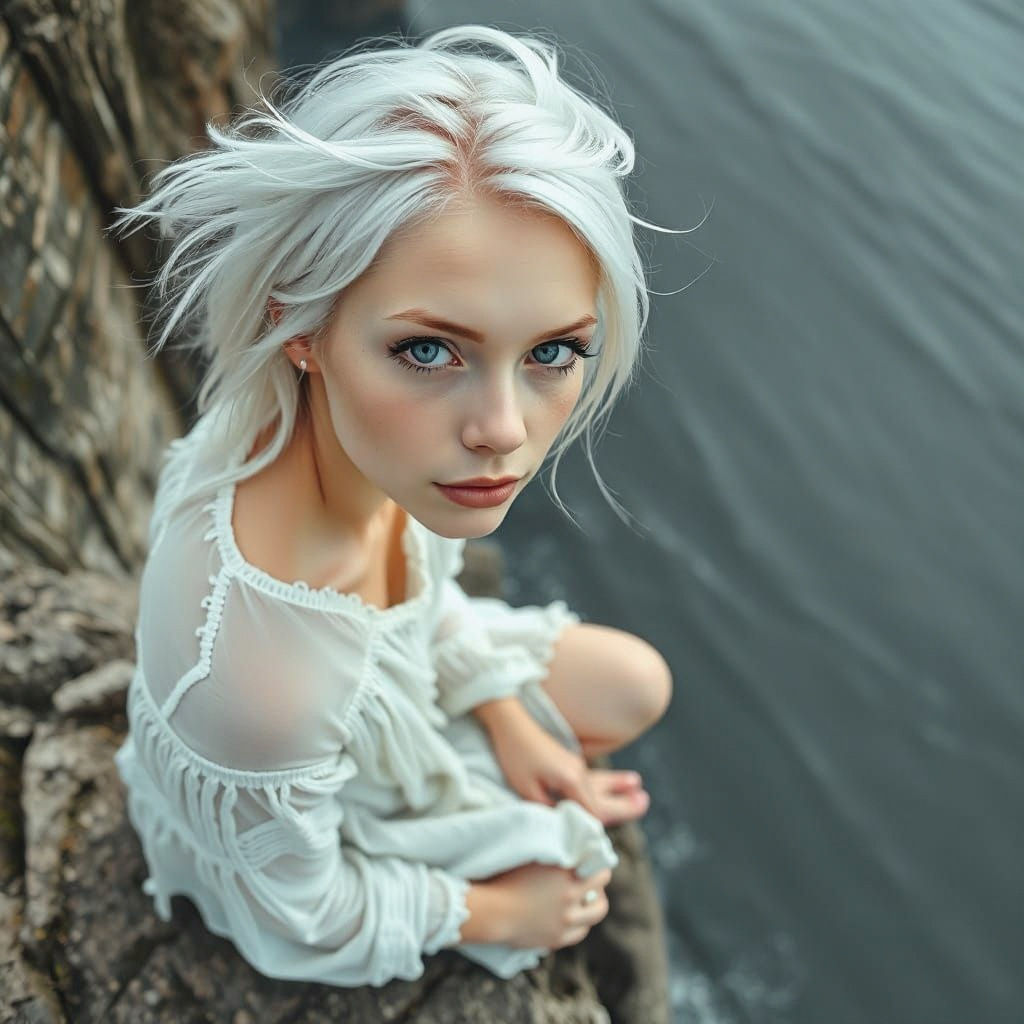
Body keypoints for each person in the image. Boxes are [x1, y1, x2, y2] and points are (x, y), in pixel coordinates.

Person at [110, 23, 675, 988]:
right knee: (572, 874)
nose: (502, 430)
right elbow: (294, 917)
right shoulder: (262, 692)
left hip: (385, 705)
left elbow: (417, 609)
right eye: (428, 351)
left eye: (553, 352)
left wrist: (502, 715)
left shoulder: (365, 451)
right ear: (302, 323)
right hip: (310, 795)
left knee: (634, 683)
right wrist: (494, 910)